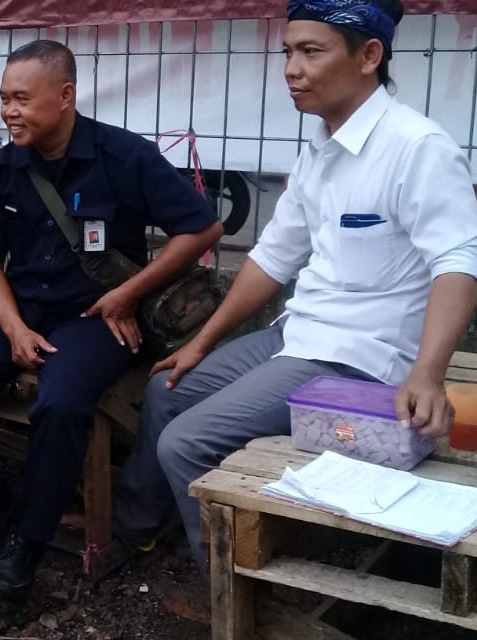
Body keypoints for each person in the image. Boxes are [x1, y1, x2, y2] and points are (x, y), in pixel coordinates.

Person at [113, 0, 477, 572]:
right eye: (288, 51)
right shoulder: (319, 151)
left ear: (369, 56)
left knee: (184, 442)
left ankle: (232, 591)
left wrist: (428, 374)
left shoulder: (417, 149)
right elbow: (272, 259)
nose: (291, 68)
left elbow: (458, 263)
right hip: (299, 335)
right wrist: (202, 343)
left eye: (311, 51)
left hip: (358, 355)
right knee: (168, 389)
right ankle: (139, 530)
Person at [0, 40, 224, 599]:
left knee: (58, 403)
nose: (9, 112)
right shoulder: (2, 168)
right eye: (4, 99)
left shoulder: (123, 157)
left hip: (98, 315)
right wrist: (11, 329)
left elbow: (201, 230)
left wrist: (128, 294)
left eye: (22, 99)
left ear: (66, 96)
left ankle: (30, 537)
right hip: (22, 309)